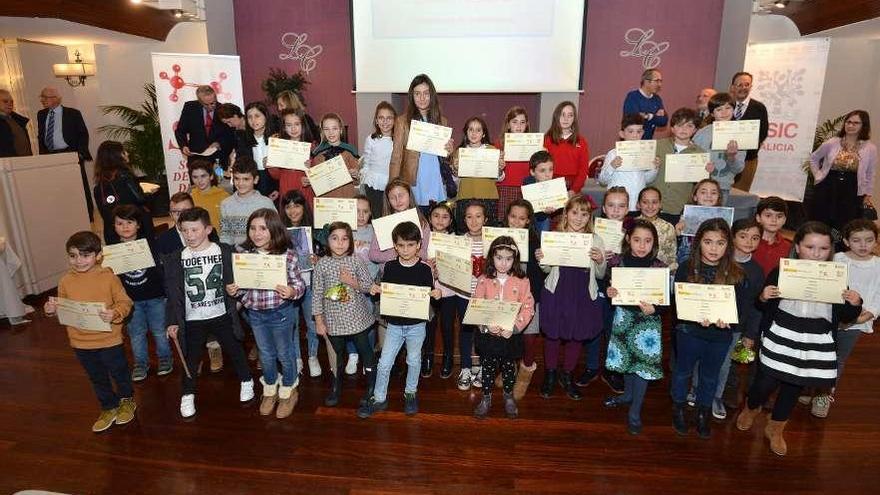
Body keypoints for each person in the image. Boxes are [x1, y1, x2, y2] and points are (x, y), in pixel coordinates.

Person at [737, 222, 862, 456]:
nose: (816, 254)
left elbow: (844, 316)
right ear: (798, 246)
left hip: (816, 339)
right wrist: (763, 297)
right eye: (810, 247)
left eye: (823, 249)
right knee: (764, 382)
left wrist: (855, 303)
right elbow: (761, 303)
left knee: (794, 386)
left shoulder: (835, 277)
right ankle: (751, 407)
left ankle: (776, 428)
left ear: (830, 251)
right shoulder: (782, 270)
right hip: (782, 331)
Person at [164, 207, 255, 419]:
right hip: (193, 318)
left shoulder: (224, 251)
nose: (190, 235)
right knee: (191, 358)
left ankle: (246, 380)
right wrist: (172, 321)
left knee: (235, 349)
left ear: (208, 229)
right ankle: (187, 394)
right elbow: (172, 294)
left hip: (221, 313)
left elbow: (238, 281)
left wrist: (236, 296)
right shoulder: (176, 258)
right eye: (184, 230)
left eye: (195, 230)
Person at [43, 231, 135, 432]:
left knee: (119, 373)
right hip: (80, 342)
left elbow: (125, 302)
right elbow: (63, 310)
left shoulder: (108, 277)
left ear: (98, 255)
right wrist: (52, 311)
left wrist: (115, 313)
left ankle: (126, 401)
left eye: (85, 255)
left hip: (109, 339)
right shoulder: (65, 281)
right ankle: (108, 407)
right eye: (73, 255)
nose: (78, 261)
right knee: (97, 376)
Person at [670, 218, 748, 440]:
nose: (714, 248)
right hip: (689, 332)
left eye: (720, 243)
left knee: (710, 376)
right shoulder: (686, 268)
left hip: (720, 336)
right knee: (683, 371)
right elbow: (678, 304)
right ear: (698, 243)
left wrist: (728, 322)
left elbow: (739, 310)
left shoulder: (737, 274)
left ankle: (704, 412)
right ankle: (678, 407)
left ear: (728, 246)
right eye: (708, 242)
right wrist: (693, 316)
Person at [227, 209, 305, 419]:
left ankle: (289, 389)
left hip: (281, 313)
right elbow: (244, 288)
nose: (257, 233)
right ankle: (270, 388)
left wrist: (291, 292)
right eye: (252, 228)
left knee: (284, 354)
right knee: (265, 354)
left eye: (262, 228)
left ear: (274, 230)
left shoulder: (287, 255)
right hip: (256, 315)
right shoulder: (245, 257)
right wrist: (236, 291)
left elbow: (299, 285)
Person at [358, 222, 441, 418]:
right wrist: (375, 289)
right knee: (385, 362)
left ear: (419, 245)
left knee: (413, 360)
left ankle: (410, 393)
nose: (405, 250)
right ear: (394, 245)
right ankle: (379, 397)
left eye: (410, 245)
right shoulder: (389, 267)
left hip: (416, 325)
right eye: (401, 245)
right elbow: (382, 290)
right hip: (394, 325)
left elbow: (429, 294)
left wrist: (435, 294)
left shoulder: (425, 269)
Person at [803, 219, 880, 418]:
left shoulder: (878, 265)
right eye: (856, 240)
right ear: (846, 241)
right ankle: (809, 387)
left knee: (838, 359)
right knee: (816, 352)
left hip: (858, 322)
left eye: (869, 240)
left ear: (876, 241)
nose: (863, 245)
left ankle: (824, 394)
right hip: (827, 317)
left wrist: (864, 317)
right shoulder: (836, 259)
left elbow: (878, 297)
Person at [537, 195, 606, 401]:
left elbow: (601, 274)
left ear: (589, 217)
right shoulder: (555, 235)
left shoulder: (596, 240)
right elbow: (547, 269)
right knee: (553, 335)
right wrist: (542, 259)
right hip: (557, 291)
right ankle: (550, 374)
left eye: (584, 214)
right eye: (574, 212)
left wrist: (601, 260)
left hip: (583, 293)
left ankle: (566, 375)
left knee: (577, 335)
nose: (579, 218)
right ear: (566, 213)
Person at [603, 219, 666, 435]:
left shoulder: (659, 267)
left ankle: (635, 411)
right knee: (626, 360)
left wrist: (656, 309)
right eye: (637, 239)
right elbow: (608, 286)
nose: (642, 245)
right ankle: (628, 395)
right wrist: (610, 291)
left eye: (647, 241)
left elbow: (667, 302)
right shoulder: (617, 263)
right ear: (628, 239)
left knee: (642, 367)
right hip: (623, 319)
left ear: (654, 243)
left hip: (647, 325)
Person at [311, 222, 378, 408]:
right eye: (335, 238)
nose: (340, 243)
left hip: (357, 318)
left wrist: (352, 282)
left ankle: (372, 385)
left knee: (366, 352)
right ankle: (336, 384)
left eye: (344, 238)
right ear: (328, 241)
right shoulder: (322, 264)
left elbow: (368, 286)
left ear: (350, 241)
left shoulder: (356, 260)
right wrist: (319, 320)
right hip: (333, 320)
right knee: (336, 354)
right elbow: (316, 294)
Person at [471, 236, 535, 419]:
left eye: (508, 258)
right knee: (488, 367)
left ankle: (508, 396)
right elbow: (477, 305)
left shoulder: (522, 281)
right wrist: (485, 326)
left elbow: (528, 307)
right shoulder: (483, 279)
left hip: (510, 335)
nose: (503, 263)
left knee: (508, 368)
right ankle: (486, 397)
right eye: (499, 257)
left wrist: (515, 327)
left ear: (515, 259)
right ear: (492, 257)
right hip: (488, 336)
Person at [109, 205, 172, 382]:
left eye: (130, 222)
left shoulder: (150, 244)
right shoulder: (112, 251)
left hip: (155, 297)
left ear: (138, 225)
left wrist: (166, 293)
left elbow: (162, 270)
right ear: (114, 227)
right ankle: (140, 363)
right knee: (136, 333)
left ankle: (165, 358)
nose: (125, 227)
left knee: (160, 330)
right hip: (129, 301)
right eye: (120, 223)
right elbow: (111, 279)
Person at [388, 74, 455, 209]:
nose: (422, 98)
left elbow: (445, 159)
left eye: (426, 93)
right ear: (412, 97)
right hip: (414, 182)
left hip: (436, 181)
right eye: (417, 94)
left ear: (432, 96)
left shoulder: (442, 121)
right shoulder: (402, 122)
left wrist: (449, 152)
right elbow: (396, 157)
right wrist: (393, 188)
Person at [809, 110, 877, 234]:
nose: (850, 125)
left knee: (846, 223)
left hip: (852, 189)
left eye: (856, 123)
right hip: (828, 186)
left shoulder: (870, 148)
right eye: (848, 122)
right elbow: (814, 158)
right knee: (821, 220)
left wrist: (868, 193)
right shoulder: (832, 142)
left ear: (864, 125)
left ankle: (840, 250)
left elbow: (870, 173)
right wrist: (818, 176)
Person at [503, 199, 545, 400]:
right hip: (504, 300)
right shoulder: (498, 240)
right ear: (507, 217)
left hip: (528, 300)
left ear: (528, 221)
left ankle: (525, 375)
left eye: (521, 218)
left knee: (529, 338)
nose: (516, 222)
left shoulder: (534, 244)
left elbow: (538, 278)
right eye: (513, 217)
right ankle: (508, 369)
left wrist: (532, 301)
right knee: (507, 337)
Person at [281, 189, 323, 377]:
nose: (293, 210)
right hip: (289, 287)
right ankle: (297, 358)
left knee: (312, 323)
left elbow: (325, 256)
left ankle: (312, 356)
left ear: (303, 207)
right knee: (292, 325)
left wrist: (318, 259)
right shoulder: (279, 233)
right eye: (288, 206)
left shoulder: (314, 231)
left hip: (309, 284)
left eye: (296, 205)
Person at [37, 86, 93, 220]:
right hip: (50, 156)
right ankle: (64, 215)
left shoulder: (73, 113)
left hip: (70, 154)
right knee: (56, 187)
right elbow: (41, 136)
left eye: (45, 97)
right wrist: (42, 157)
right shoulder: (41, 114)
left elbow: (83, 134)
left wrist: (80, 154)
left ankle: (88, 216)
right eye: (42, 97)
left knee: (80, 186)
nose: (42, 100)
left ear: (56, 99)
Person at [653, 107, 711, 222]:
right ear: (672, 128)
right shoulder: (657, 146)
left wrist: (708, 173)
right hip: (653, 205)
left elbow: (701, 185)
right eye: (680, 125)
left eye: (689, 126)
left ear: (695, 130)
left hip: (679, 207)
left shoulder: (701, 154)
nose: (684, 129)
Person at [92, 140, 154, 244]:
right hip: (135, 231)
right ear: (117, 156)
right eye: (124, 152)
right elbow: (140, 199)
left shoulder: (99, 185)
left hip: (113, 233)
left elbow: (105, 214)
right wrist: (151, 194)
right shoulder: (125, 176)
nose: (127, 153)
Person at [692, 93, 746, 205]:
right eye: (719, 109)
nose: (724, 112)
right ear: (712, 113)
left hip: (723, 187)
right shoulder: (702, 133)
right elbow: (692, 159)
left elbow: (738, 169)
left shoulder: (740, 134)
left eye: (728, 108)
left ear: (733, 110)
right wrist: (702, 168)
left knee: (718, 220)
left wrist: (731, 157)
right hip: (701, 187)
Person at [597, 114, 659, 211]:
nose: (635, 135)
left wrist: (654, 168)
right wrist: (612, 166)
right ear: (622, 134)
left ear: (643, 133)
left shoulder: (646, 154)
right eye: (630, 131)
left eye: (639, 131)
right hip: (617, 208)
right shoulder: (613, 153)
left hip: (637, 206)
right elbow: (602, 180)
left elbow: (647, 180)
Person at [424, 200, 458, 378]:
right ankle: (427, 356)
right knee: (429, 325)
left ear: (451, 220)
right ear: (429, 218)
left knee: (447, 326)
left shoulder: (456, 240)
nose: (440, 220)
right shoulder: (424, 239)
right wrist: (427, 264)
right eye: (436, 216)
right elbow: (416, 259)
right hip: (429, 290)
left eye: (445, 217)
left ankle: (448, 357)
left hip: (449, 290)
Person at [452, 116, 504, 227]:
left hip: (488, 199)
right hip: (465, 197)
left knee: (488, 234)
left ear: (483, 134)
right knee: (465, 235)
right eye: (470, 129)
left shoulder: (492, 150)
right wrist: (455, 171)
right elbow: (456, 181)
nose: (474, 133)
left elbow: (499, 178)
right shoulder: (459, 152)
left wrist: (499, 170)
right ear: (466, 132)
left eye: (478, 130)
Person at [219, 156, 276, 247]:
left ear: (256, 179)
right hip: (237, 257)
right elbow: (225, 235)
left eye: (246, 179)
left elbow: (275, 233)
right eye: (237, 178)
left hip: (262, 254)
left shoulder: (266, 203)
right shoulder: (226, 204)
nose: (240, 183)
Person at [174, 85, 234, 168]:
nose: (210, 107)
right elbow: (180, 131)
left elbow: (230, 135)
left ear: (215, 98)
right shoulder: (190, 108)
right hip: (196, 159)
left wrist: (219, 143)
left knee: (219, 180)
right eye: (206, 104)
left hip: (218, 159)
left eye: (213, 103)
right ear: (199, 101)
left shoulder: (223, 109)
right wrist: (183, 145)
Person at [729, 72, 769, 190]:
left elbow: (763, 133)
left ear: (751, 87)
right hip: (724, 159)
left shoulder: (759, 108)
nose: (743, 88)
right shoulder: (725, 106)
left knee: (740, 195)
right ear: (732, 87)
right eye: (739, 85)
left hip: (748, 160)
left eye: (747, 85)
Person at [268, 108, 315, 206]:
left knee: (306, 217)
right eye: (289, 125)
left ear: (303, 125)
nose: (293, 129)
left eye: (297, 124)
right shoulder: (280, 147)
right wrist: (271, 165)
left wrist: (311, 167)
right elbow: (276, 175)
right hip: (286, 189)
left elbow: (318, 174)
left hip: (305, 191)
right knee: (288, 217)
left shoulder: (312, 146)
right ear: (284, 127)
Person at [543, 101, 590, 196]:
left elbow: (583, 170)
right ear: (556, 117)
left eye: (570, 115)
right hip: (550, 185)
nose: (566, 119)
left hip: (573, 188)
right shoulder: (546, 140)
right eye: (562, 115)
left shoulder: (581, 141)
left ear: (574, 119)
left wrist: (574, 190)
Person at [235, 102, 280, 199]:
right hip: (252, 182)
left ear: (266, 117)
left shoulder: (277, 137)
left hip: (273, 180)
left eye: (257, 116)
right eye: (249, 117)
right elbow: (241, 167)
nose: (253, 120)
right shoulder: (243, 139)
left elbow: (284, 167)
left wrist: (277, 188)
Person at [495, 106, 532, 219]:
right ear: (508, 124)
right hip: (504, 188)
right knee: (504, 221)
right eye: (514, 122)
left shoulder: (533, 143)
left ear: (526, 125)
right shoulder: (498, 144)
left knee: (523, 224)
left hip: (526, 188)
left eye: (522, 122)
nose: (519, 126)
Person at [311, 113, 359, 198]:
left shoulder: (349, 151)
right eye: (327, 129)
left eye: (334, 128)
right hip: (326, 198)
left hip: (346, 195)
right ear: (322, 131)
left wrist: (355, 174)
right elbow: (316, 182)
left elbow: (357, 181)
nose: (331, 132)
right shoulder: (318, 153)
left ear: (340, 130)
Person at [360, 101, 396, 218]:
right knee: (377, 215)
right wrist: (364, 177)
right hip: (373, 184)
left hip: (391, 183)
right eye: (381, 118)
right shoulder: (371, 139)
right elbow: (367, 161)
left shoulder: (398, 140)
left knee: (391, 215)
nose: (385, 121)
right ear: (376, 120)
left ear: (395, 120)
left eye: (389, 118)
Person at [636, 187, 677, 270]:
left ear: (660, 204)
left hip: (659, 273)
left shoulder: (668, 228)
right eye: (645, 202)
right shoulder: (630, 225)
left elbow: (671, 258)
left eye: (654, 202)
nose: (650, 206)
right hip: (633, 271)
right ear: (638, 205)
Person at [622, 69, 667, 139]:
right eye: (657, 81)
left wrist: (649, 116)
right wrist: (655, 118)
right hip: (632, 142)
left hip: (648, 142)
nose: (659, 84)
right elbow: (634, 120)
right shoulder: (633, 97)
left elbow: (663, 121)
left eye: (660, 81)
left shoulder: (657, 99)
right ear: (646, 81)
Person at [752, 196, 791, 277]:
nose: (774, 220)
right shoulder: (747, 243)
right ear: (758, 218)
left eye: (779, 216)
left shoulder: (789, 247)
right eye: (768, 215)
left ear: (784, 220)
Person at [188, 158, 230, 233]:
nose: (199, 180)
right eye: (195, 177)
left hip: (220, 240)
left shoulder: (224, 196)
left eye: (203, 176)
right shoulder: (190, 197)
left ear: (211, 176)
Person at [521, 150, 558, 233]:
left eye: (550, 170)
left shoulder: (555, 185)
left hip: (543, 219)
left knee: (545, 221)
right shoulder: (527, 184)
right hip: (528, 218)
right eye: (542, 171)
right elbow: (529, 210)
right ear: (532, 172)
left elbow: (559, 204)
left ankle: (543, 243)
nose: (548, 174)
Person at [0, 88, 31, 157]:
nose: (10, 104)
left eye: (12, 102)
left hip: (26, 161)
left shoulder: (18, 120)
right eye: (5, 101)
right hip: (7, 164)